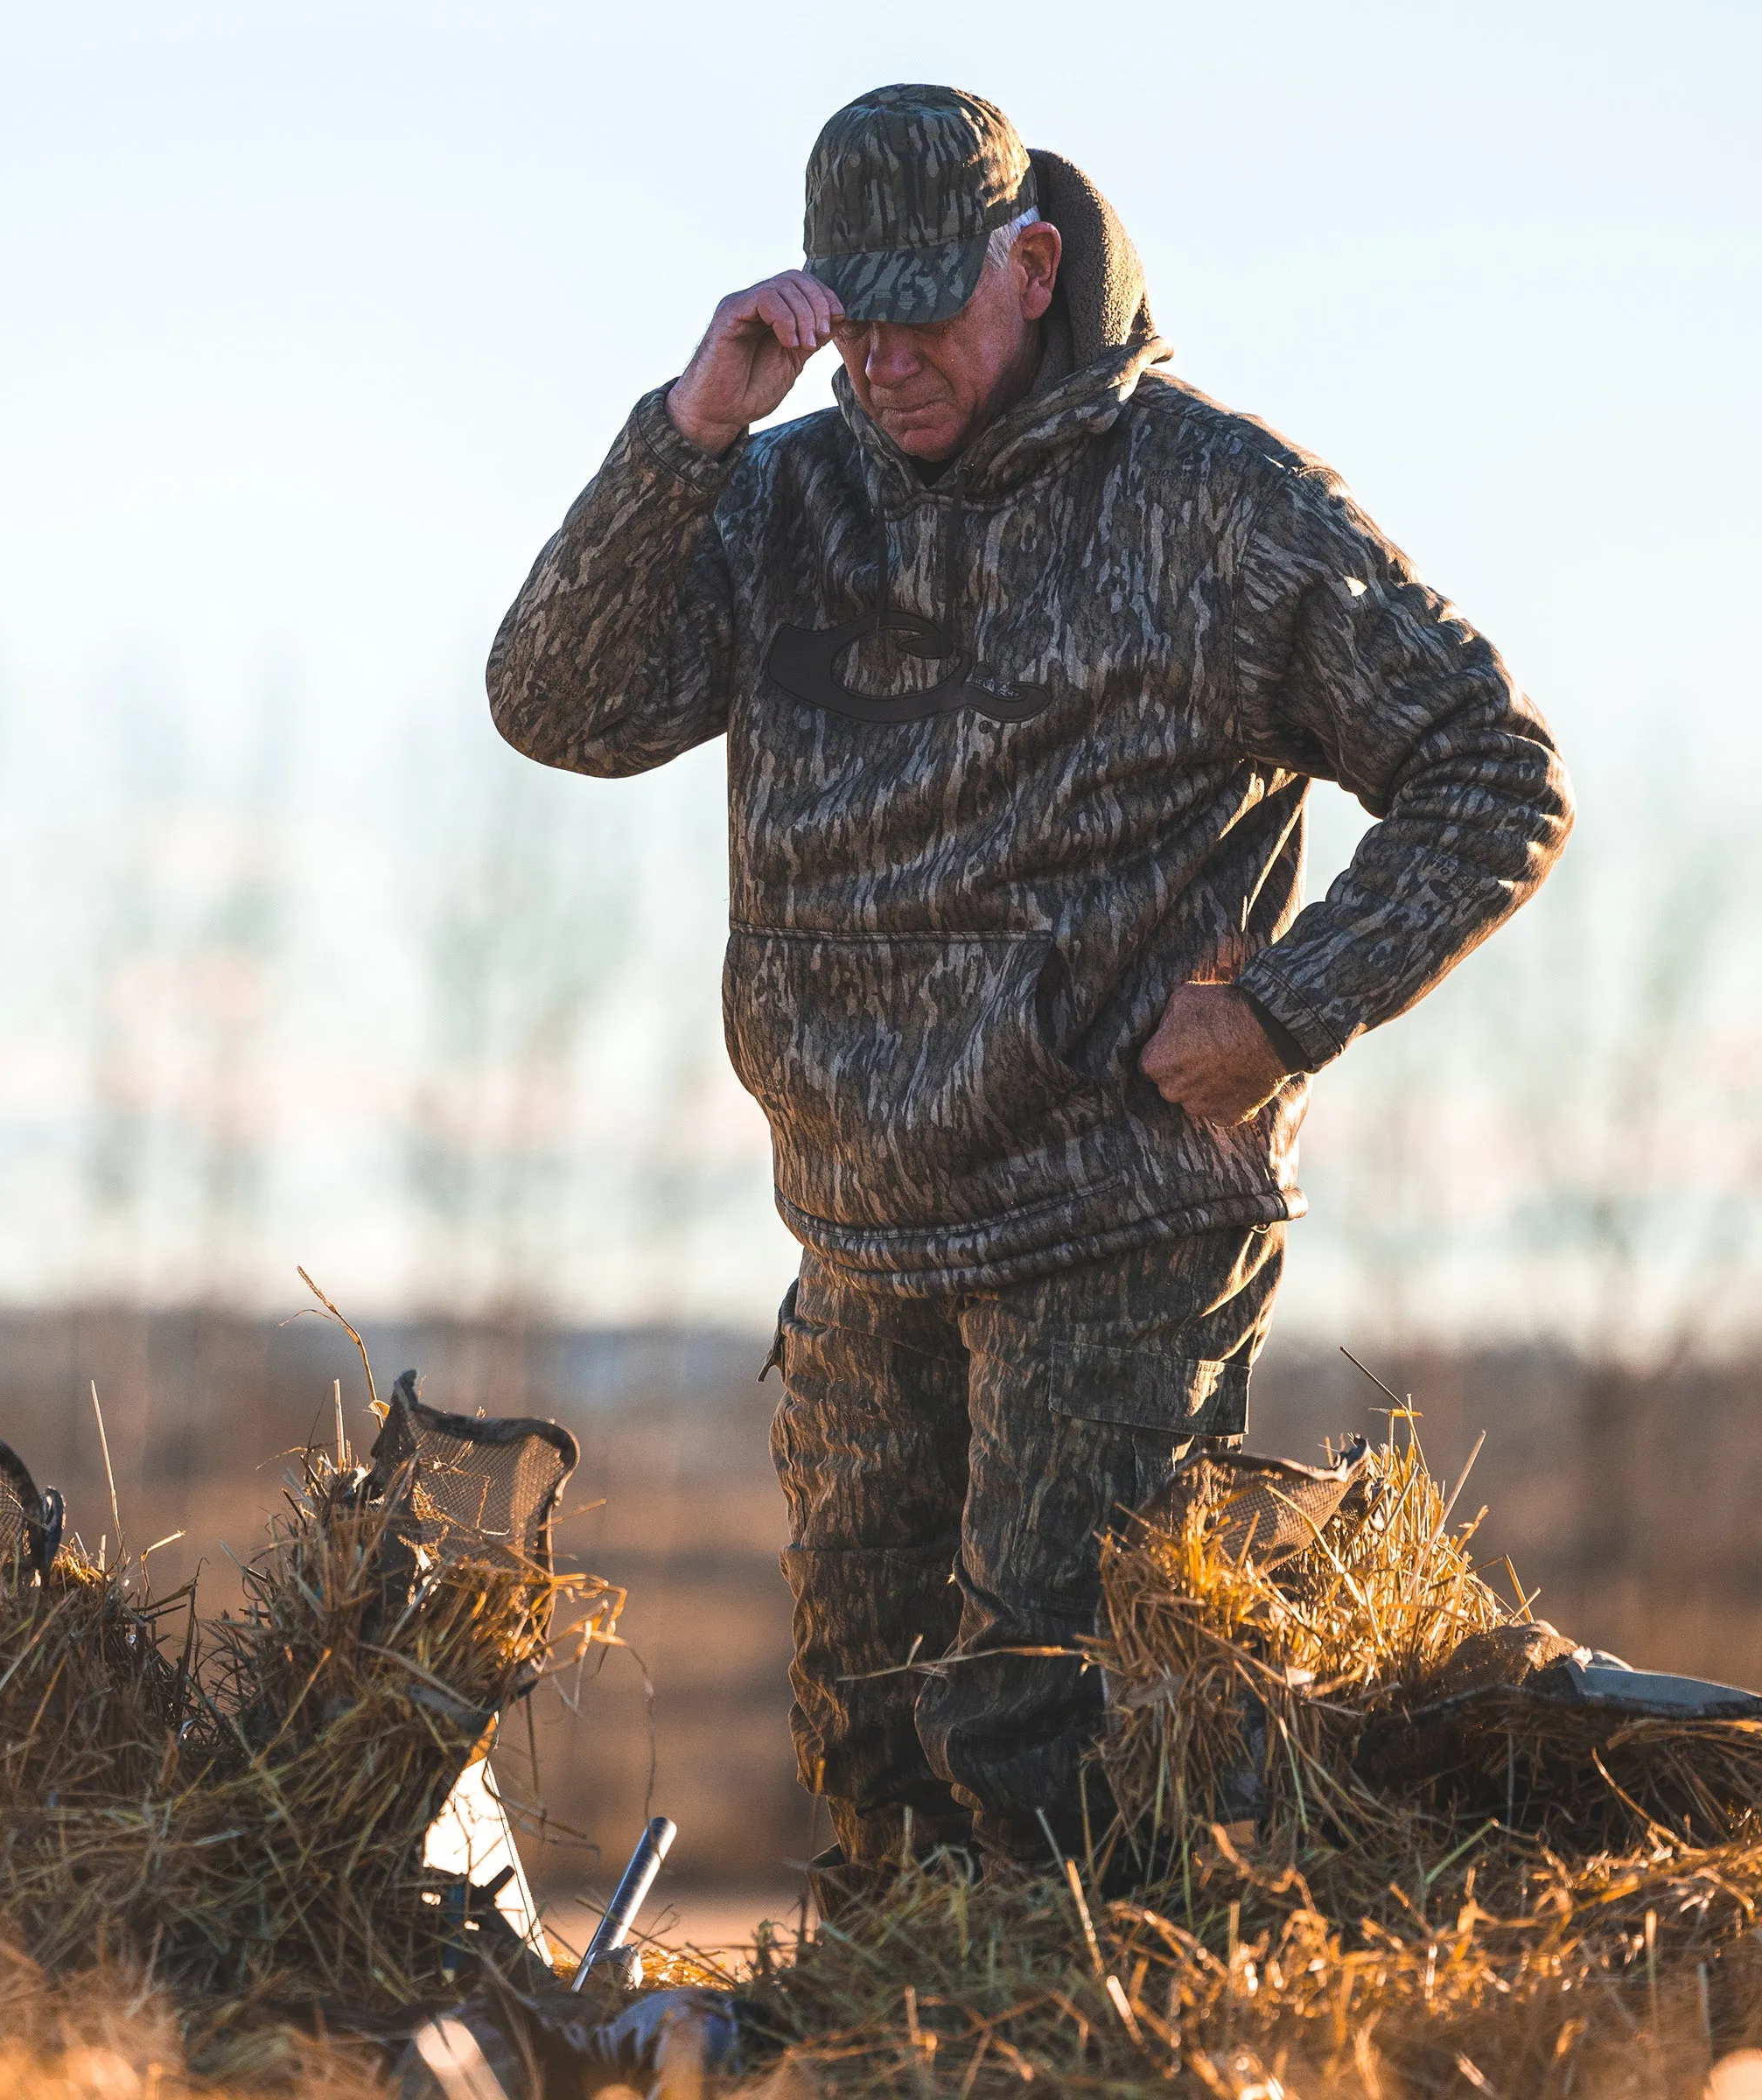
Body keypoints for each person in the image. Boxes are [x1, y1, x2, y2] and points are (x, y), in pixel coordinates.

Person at [487, 84, 1572, 1874]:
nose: (888, 356)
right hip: (861, 1226)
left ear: (1034, 263)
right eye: (858, 313)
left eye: (929, 308)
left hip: (1117, 1213)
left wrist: (1290, 1014)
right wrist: (692, 431)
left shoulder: (1219, 506)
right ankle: (892, 2054)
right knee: (870, 1729)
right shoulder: (781, 499)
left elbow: (1491, 771)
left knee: (1044, 1728)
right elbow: (559, 707)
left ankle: (1086, 2046)